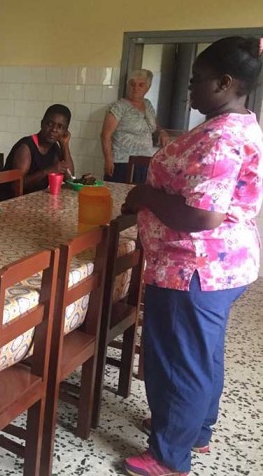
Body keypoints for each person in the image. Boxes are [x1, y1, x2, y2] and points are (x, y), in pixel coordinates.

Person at [121, 37, 263, 476]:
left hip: (194, 268)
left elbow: (202, 214)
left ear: (225, 82)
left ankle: (169, 457)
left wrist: (145, 194)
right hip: (217, 266)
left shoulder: (221, 137)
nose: (190, 88)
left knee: (180, 361)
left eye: (197, 80)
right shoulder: (237, 123)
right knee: (202, 355)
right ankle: (193, 430)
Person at [100, 69, 169, 183]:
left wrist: (162, 131)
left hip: (144, 162)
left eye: (141, 85)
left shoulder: (147, 104)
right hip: (122, 163)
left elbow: (153, 124)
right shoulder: (119, 107)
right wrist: (108, 159)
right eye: (132, 84)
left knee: (139, 198)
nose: (136, 88)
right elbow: (105, 135)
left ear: (148, 87)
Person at [0, 104, 74, 199]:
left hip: (32, 199)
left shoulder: (54, 147)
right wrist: (48, 171)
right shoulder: (26, 147)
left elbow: (70, 178)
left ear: (65, 131)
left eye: (60, 127)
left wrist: (65, 145)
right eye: (50, 124)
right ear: (42, 123)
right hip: (10, 202)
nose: (54, 130)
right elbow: (16, 185)